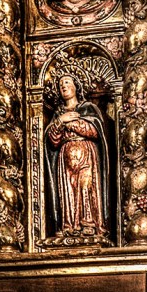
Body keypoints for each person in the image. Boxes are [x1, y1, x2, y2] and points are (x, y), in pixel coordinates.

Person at [44, 72, 109, 240]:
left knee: (86, 186)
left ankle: (89, 224)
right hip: (65, 158)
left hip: (86, 154)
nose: (63, 86)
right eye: (60, 84)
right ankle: (70, 226)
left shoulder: (88, 108)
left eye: (67, 82)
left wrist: (70, 123)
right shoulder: (58, 114)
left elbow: (94, 130)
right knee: (68, 190)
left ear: (76, 86)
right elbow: (53, 140)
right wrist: (60, 120)